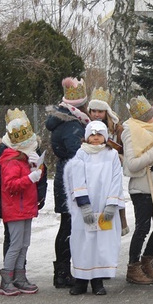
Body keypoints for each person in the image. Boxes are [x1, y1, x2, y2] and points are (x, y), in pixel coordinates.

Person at [63, 121, 125, 296]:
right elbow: (78, 178)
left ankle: (97, 281)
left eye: (99, 135)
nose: (96, 138)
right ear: (87, 137)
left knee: (100, 243)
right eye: (92, 134)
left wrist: (112, 203)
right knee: (83, 241)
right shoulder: (81, 154)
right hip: (86, 207)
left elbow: (115, 179)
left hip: (103, 205)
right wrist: (84, 205)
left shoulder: (111, 155)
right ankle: (81, 280)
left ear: (105, 136)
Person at [45, 77, 90, 288]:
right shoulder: (72, 125)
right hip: (70, 179)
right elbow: (77, 154)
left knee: (67, 225)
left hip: (65, 175)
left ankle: (62, 270)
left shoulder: (64, 121)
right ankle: (62, 272)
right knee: (69, 227)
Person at [122, 95, 153, 285]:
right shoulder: (131, 131)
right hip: (142, 185)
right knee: (143, 226)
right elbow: (132, 164)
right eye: (150, 115)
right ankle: (133, 267)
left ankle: (147, 260)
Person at [0, 112, 44, 295]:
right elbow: (10, 186)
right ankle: (7, 277)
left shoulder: (23, 159)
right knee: (16, 244)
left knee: (24, 244)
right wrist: (30, 178)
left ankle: (19, 276)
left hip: (26, 208)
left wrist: (36, 168)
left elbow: (32, 181)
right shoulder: (11, 161)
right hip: (15, 209)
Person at [87, 86, 129, 235]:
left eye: (100, 111)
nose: (97, 114)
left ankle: (112, 233)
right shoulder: (86, 127)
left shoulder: (116, 129)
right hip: (92, 174)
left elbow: (125, 150)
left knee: (111, 204)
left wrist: (116, 156)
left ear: (106, 112)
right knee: (95, 207)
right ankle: (96, 237)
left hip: (111, 174)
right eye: (94, 111)